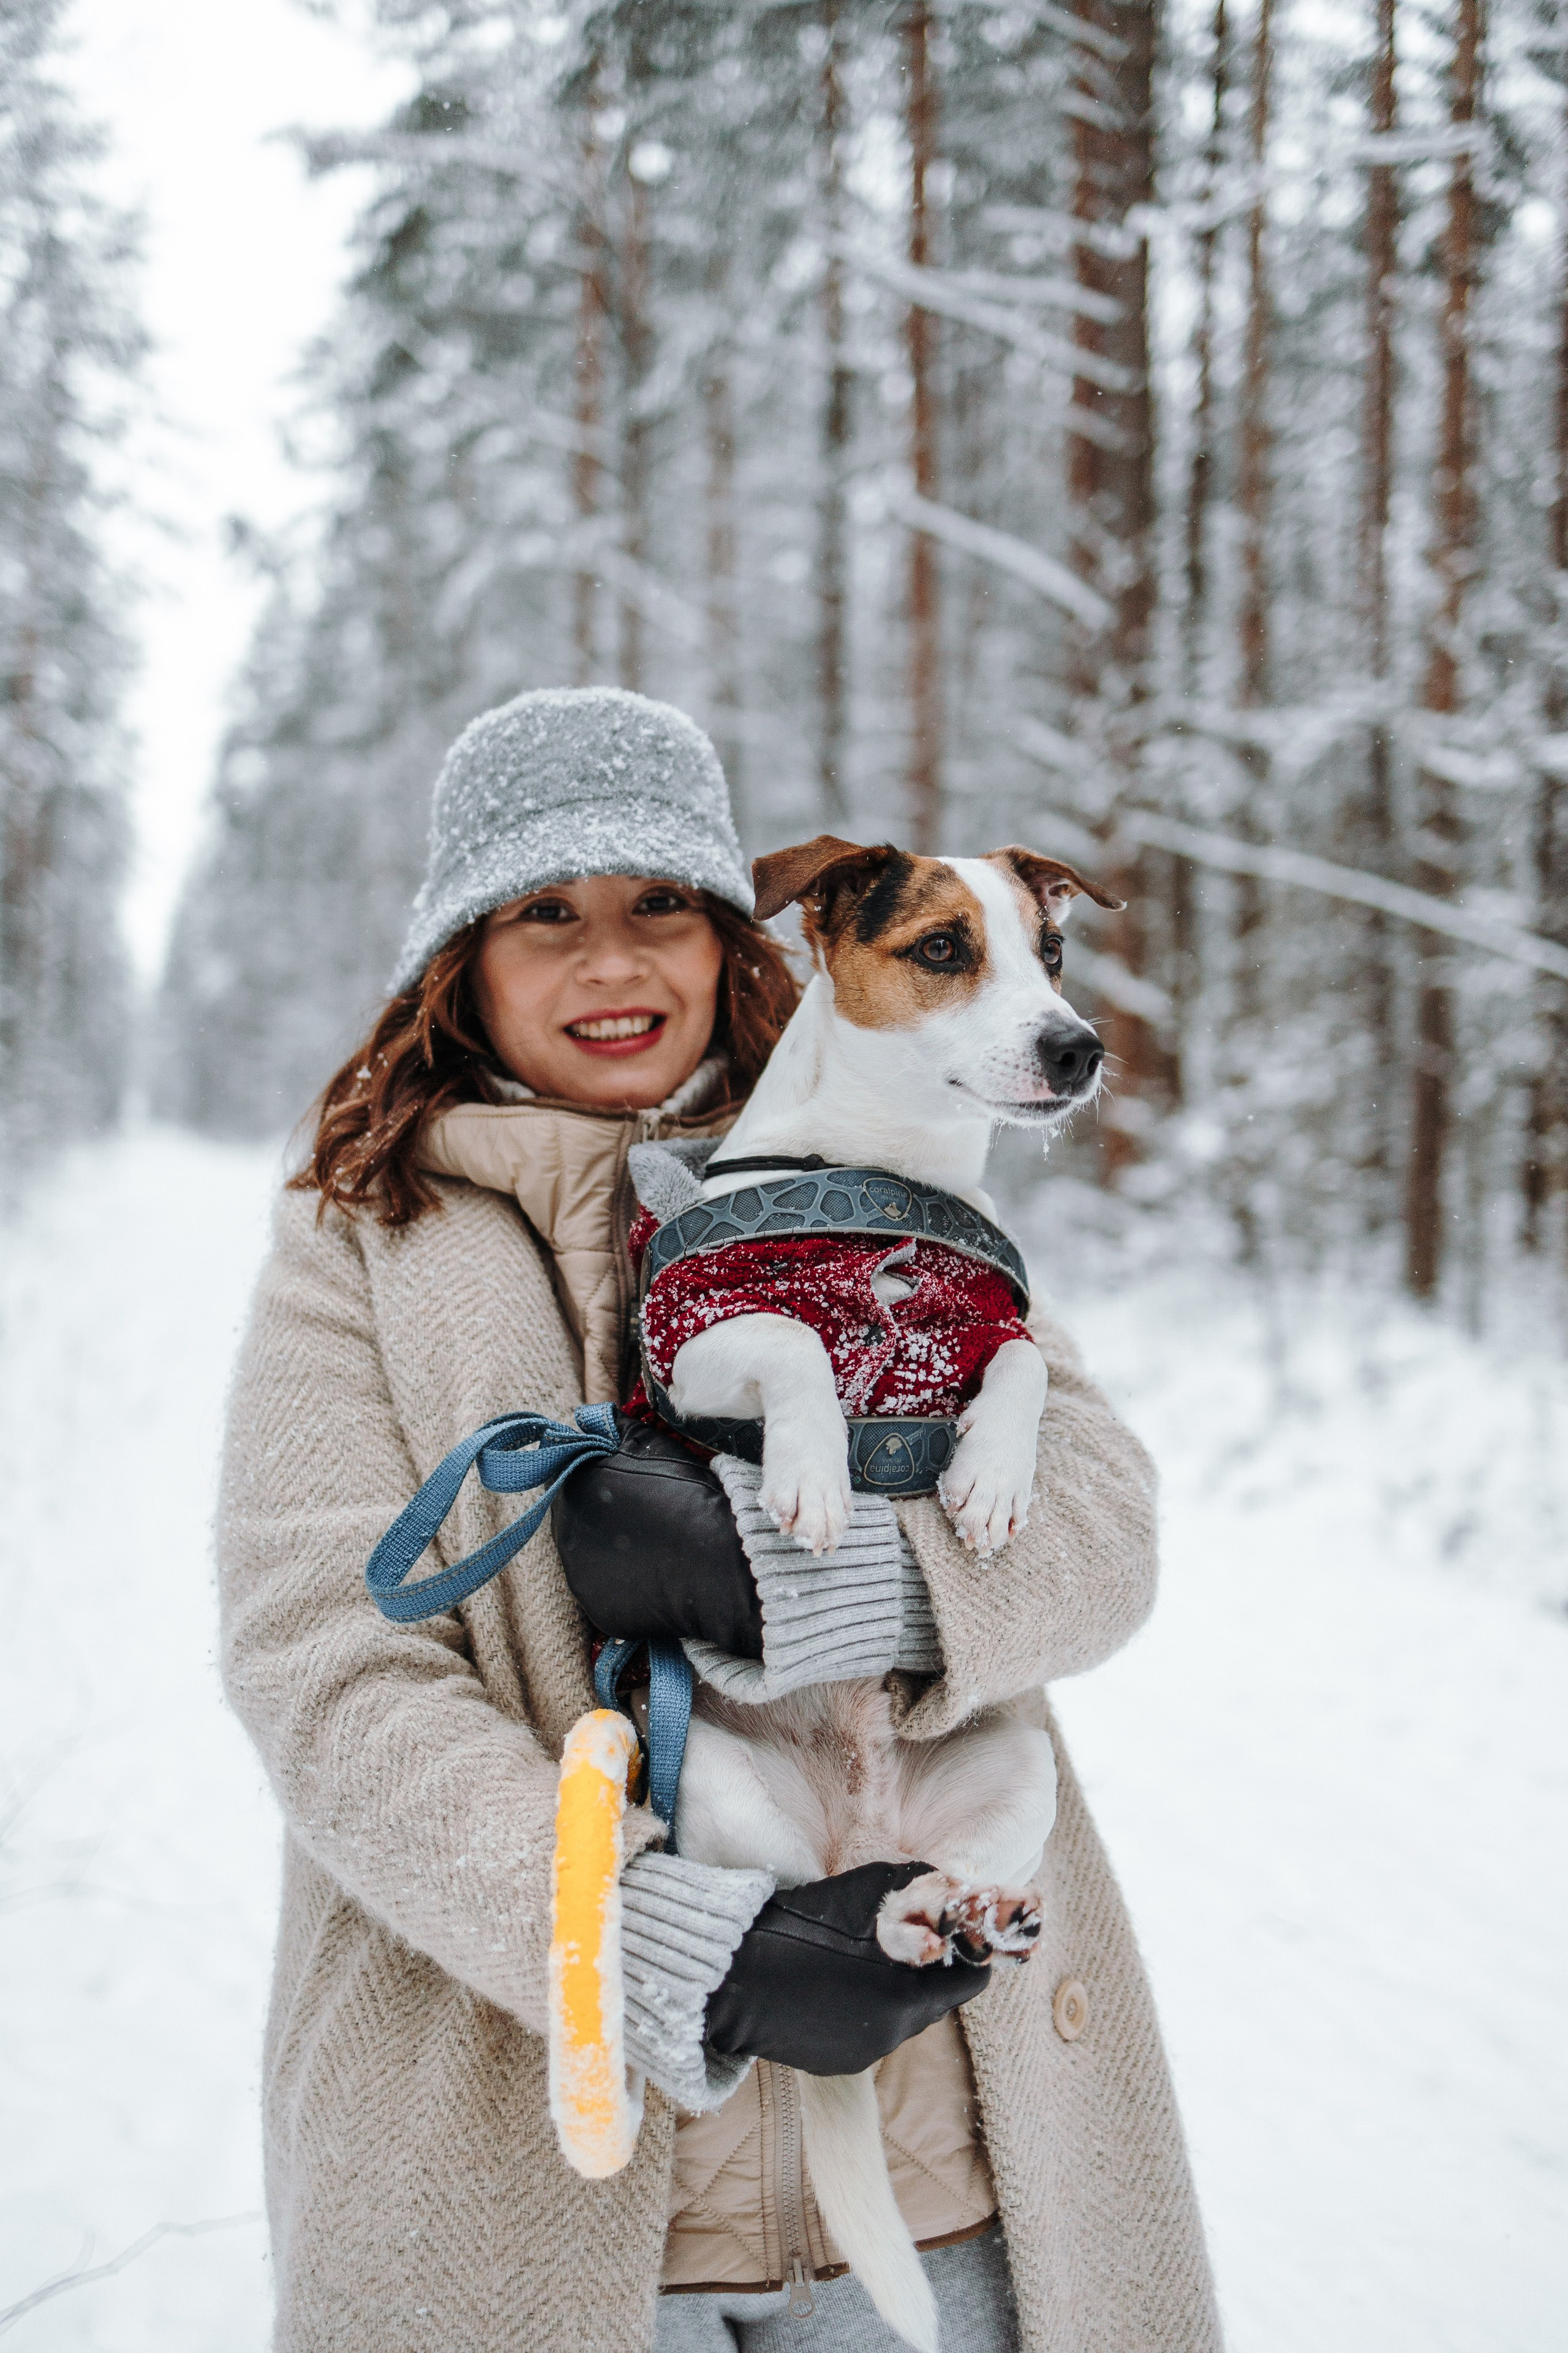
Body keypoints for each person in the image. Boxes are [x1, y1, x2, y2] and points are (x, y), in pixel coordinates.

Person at [218, 687, 1221, 2353]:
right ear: (458, 958)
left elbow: (1102, 1530)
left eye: (658, 907)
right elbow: (328, 1679)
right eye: (548, 915)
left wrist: (814, 1592)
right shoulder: (363, 1241)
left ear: (735, 936)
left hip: (932, 2150)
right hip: (541, 2160)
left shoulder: (876, 1164)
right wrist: (684, 1946)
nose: (613, 965)